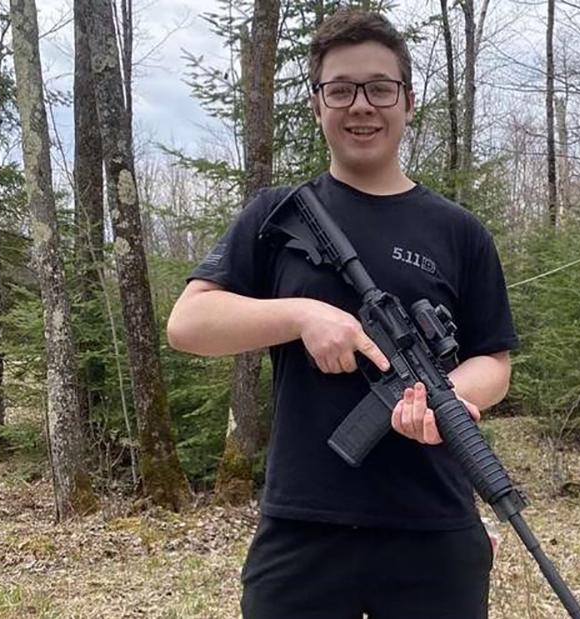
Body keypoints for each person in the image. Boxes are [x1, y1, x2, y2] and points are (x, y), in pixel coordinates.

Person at [166, 9, 519, 618]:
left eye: (380, 88)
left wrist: (444, 400)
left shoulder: (460, 232)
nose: (361, 106)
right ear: (316, 103)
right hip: (304, 528)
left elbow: (494, 360)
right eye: (341, 90)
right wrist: (302, 315)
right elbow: (188, 324)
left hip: (434, 528)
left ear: (408, 101)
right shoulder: (278, 215)